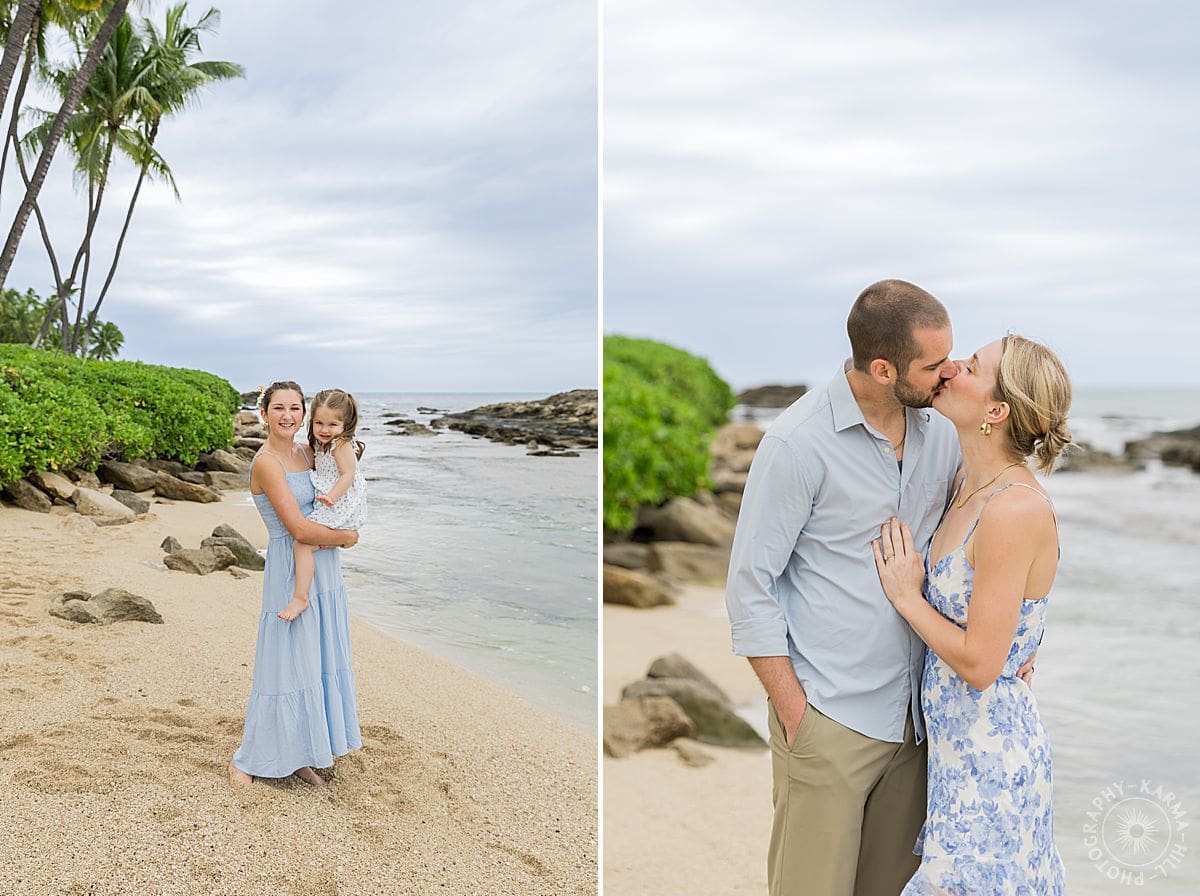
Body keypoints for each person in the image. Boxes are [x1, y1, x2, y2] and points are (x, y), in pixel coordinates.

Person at [725, 279, 965, 896]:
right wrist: (796, 713)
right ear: (884, 369)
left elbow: (979, 538)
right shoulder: (796, 444)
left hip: (917, 725)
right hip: (830, 718)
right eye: (935, 365)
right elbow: (750, 585)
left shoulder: (943, 435)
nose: (950, 374)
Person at [872, 335, 1070, 893]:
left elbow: (983, 665)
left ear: (996, 410)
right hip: (957, 751)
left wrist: (907, 596)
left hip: (993, 760)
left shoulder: (1014, 509)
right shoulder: (967, 484)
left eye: (972, 366)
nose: (953, 366)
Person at [228, 380, 363, 787]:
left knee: (314, 660)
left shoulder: (308, 451)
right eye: (279, 408)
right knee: (284, 663)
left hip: (324, 567)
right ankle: (251, 759)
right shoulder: (267, 462)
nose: (287, 416)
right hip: (292, 566)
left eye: (295, 409)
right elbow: (298, 527)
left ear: (304, 414)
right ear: (264, 413)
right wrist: (349, 538)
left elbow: (346, 477)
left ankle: (300, 750)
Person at [278, 388, 368, 623]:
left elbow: (348, 475)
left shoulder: (342, 445)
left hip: (339, 501)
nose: (325, 430)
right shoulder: (320, 444)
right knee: (308, 545)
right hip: (332, 500)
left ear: (345, 424)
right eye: (319, 423)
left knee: (302, 546)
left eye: (332, 425)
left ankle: (300, 598)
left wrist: (332, 496)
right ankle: (340, 540)